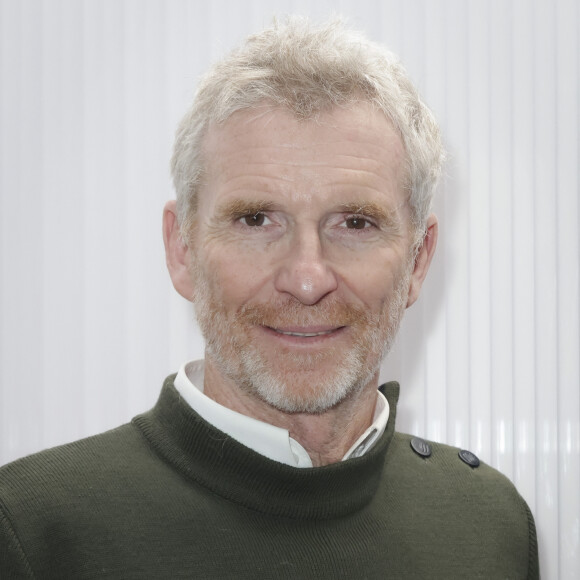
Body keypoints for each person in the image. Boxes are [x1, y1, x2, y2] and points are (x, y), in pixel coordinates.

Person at [0, 17, 539, 579]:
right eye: (256, 219)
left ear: (418, 261)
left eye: (355, 222)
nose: (307, 280)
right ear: (181, 249)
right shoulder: (32, 531)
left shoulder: (488, 525)